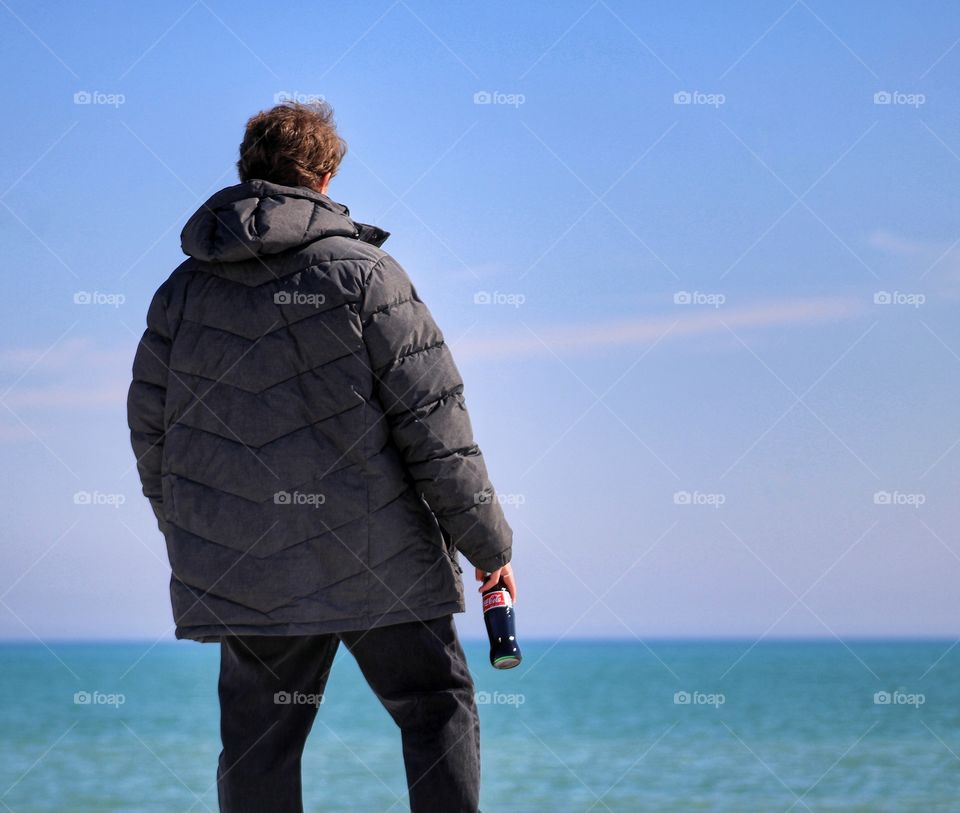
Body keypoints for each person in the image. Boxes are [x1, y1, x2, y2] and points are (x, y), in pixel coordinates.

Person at [126, 100, 517, 813]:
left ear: (247, 171)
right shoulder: (368, 276)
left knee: (260, 740)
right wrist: (488, 543)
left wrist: (201, 531)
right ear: (327, 175)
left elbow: (150, 433)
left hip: (248, 565)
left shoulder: (180, 294)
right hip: (382, 561)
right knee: (435, 707)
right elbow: (436, 427)